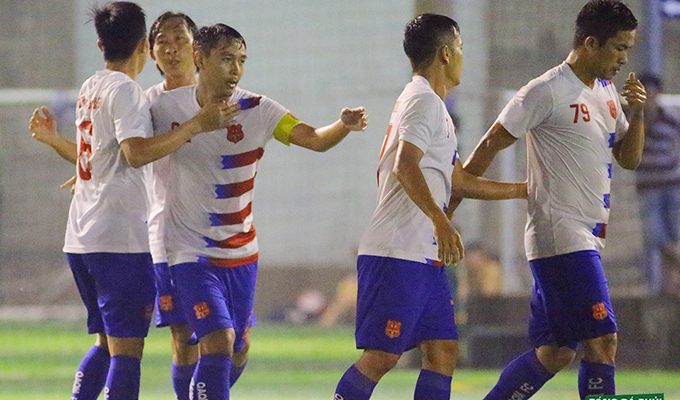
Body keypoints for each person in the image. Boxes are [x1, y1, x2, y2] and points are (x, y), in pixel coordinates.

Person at [29, 3, 237, 399]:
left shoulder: (92, 87)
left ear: (101, 45)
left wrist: (57, 143)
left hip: (82, 238)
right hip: (119, 241)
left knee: (106, 345)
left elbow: (99, 158)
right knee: (127, 352)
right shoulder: (128, 91)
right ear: (145, 46)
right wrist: (197, 124)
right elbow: (135, 153)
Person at [149, 23, 368, 400]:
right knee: (216, 340)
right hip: (189, 252)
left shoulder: (260, 109)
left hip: (241, 253)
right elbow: (131, 148)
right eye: (226, 59)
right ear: (200, 59)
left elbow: (314, 139)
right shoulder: (165, 106)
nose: (235, 69)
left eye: (241, 60)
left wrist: (343, 126)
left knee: (238, 348)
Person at [454, 1, 645, 399]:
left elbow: (628, 159)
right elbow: (491, 142)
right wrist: (456, 197)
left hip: (585, 235)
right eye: (619, 48)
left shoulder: (606, 92)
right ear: (590, 43)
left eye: (628, 49)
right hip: (561, 234)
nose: (624, 59)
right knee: (603, 341)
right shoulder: (545, 90)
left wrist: (638, 114)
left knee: (556, 352)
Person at [333, 14, 527, 400]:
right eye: (460, 48)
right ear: (445, 54)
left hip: (422, 255)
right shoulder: (423, 101)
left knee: (443, 351)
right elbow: (405, 165)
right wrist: (441, 221)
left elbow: (458, 180)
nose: (463, 57)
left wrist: (524, 189)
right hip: (397, 251)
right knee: (383, 356)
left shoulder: (433, 105)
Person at [145, 11, 200, 400]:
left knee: (236, 342)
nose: (171, 48)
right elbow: (124, 151)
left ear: (197, 48)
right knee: (184, 335)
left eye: (180, 39)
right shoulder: (146, 104)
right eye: (162, 41)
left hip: (223, 234)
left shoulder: (222, 98)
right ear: (151, 53)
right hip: (168, 234)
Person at [634, 73, 680, 294]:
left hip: (672, 185)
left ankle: (670, 284)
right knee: (656, 237)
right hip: (649, 188)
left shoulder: (670, 120)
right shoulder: (633, 122)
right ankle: (665, 284)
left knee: (675, 234)